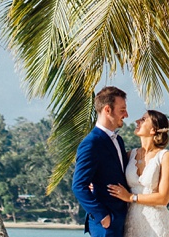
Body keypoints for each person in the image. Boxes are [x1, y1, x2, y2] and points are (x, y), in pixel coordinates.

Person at [107, 110, 169, 237]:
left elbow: (164, 198)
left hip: (157, 222)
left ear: (153, 130)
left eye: (143, 120)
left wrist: (130, 197)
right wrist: (94, 184)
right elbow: (112, 176)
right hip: (132, 221)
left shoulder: (165, 156)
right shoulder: (129, 155)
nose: (137, 121)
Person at [73, 87, 130, 237]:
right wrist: (103, 216)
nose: (126, 114)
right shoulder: (91, 143)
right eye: (122, 110)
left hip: (122, 221)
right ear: (107, 109)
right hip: (105, 225)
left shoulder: (118, 140)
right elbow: (79, 186)